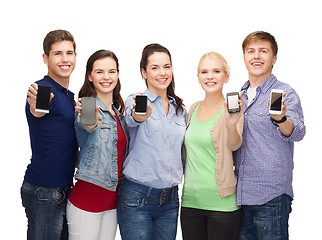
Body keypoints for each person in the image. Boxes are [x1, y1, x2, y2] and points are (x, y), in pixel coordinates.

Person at [234, 31, 306, 239]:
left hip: (271, 196)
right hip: (240, 196)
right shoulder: (239, 96)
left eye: (263, 51)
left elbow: (298, 131)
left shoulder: (284, 93)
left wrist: (281, 119)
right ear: (245, 58)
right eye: (251, 51)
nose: (256, 56)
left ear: (273, 59)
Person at [117, 43, 187, 240]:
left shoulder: (180, 110)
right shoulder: (135, 100)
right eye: (154, 68)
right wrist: (141, 114)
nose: (162, 73)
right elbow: (133, 117)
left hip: (170, 199)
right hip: (137, 198)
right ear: (144, 72)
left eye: (166, 66)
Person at [21, 29, 78, 240]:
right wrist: (36, 105)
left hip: (62, 189)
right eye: (58, 53)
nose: (65, 59)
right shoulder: (43, 89)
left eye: (69, 53)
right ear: (46, 58)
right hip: (44, 191)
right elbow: (38, 109)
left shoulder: (69, 96)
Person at [66, 50, 129, 240]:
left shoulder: (118, 114)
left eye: (112, 71)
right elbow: (88, 123)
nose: (106, 77)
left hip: (111, 205)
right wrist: (89, 118)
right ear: (90, 76)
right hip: (86, 203)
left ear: (118, 74)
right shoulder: (87, 106)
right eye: (100, 72)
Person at [180, 52, 243, 240]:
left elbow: (235, 144)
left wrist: (231, 123)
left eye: (216, 71)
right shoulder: (193, 109)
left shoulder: (233, 111)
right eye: (204, 71)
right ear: (198, 76)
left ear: (226, 76)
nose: (210, 76)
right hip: (190, 203)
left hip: (222, 206)